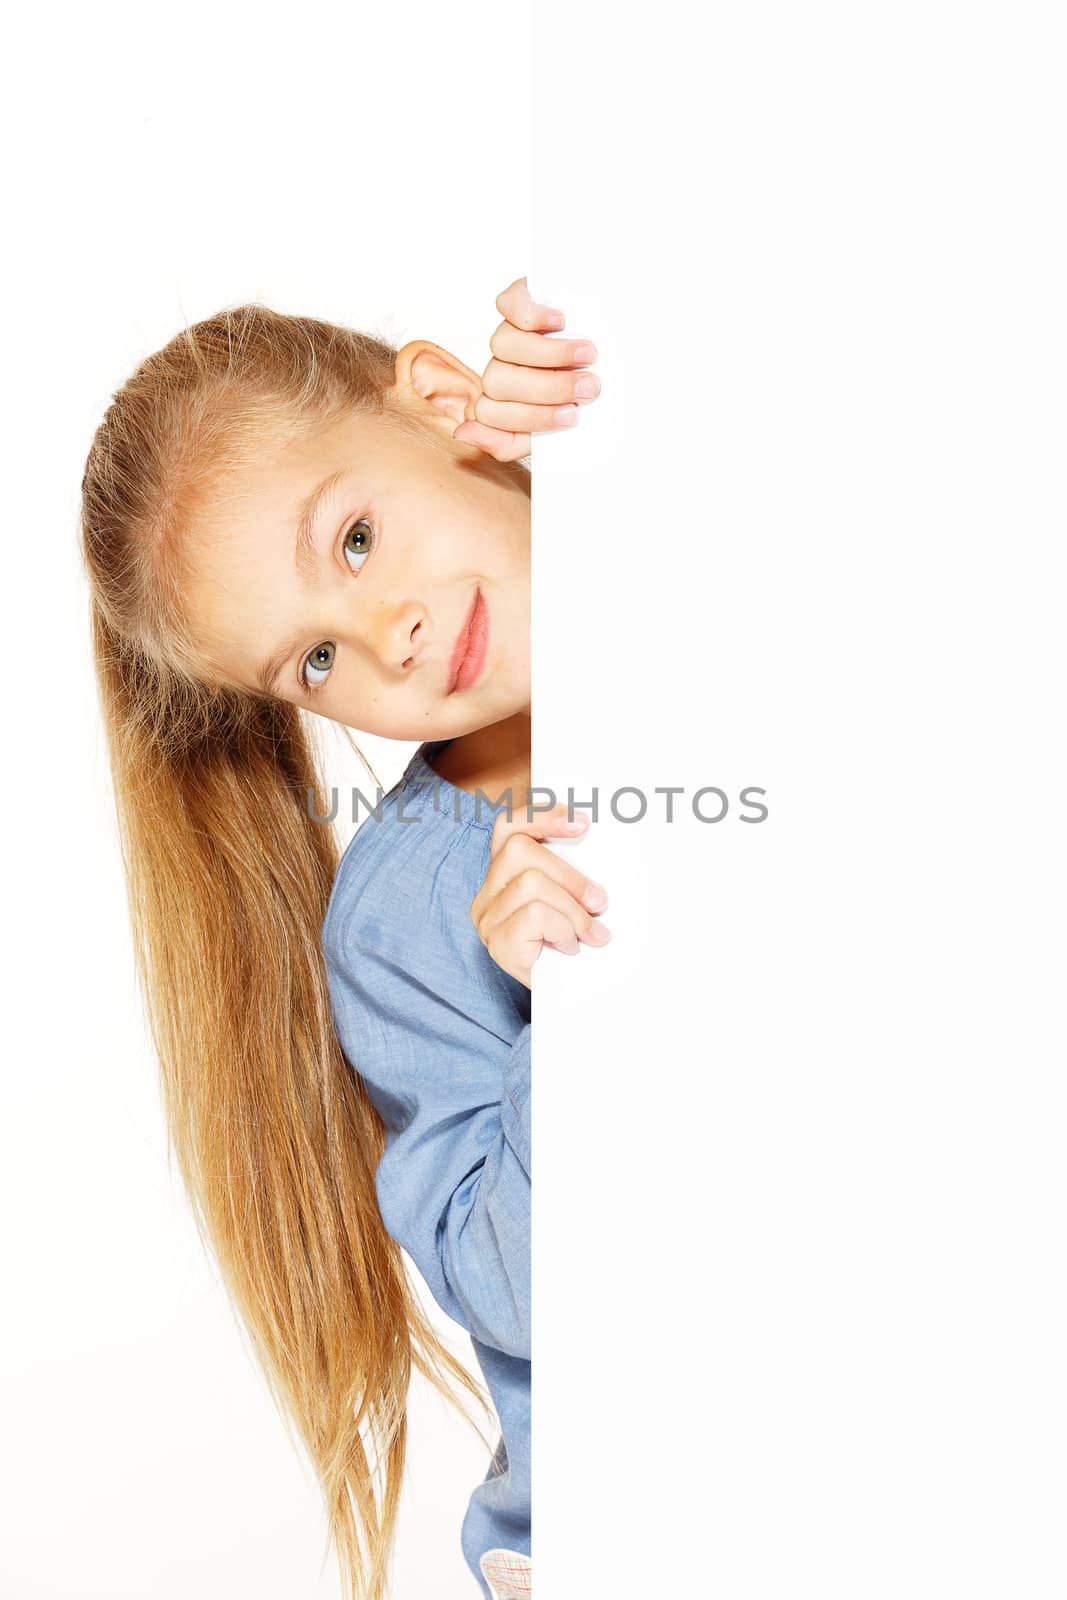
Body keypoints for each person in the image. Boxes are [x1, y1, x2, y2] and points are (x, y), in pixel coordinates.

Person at [78, 278, 608, 1600]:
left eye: (359, 539)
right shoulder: (403, 927)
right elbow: (527, 1294)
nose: (391, 635)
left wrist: (602, 369)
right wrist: (560, 1025)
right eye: (317, 662)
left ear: (443, 405)